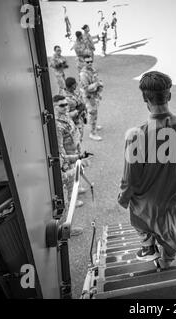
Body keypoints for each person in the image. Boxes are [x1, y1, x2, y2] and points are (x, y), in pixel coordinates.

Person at [118, 71, 176, 268]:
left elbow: (130, 180)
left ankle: (147, 244)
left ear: (144, 98)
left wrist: (123, 198)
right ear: (169, 96)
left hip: (146, 206)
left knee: (136, 211)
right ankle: (166, 264)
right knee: (171, 237)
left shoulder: (136, 135)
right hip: (174, 201)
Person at [53, 95, 88, 236]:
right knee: (67, 201)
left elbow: (74, 133)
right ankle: (65, 230)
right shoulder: (57, 124)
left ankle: (75, 190)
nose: (66, 106)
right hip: (67, 161)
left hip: (73, 154)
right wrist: (73, 159)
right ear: (54, 106)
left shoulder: (65, 116)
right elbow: (60, 152)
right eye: (61, 105)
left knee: (73, 185)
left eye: (66, 104)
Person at [79, 55, 104, 141]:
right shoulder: (83, 74)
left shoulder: (92, 70)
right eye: (87, 62)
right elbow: (86, 88)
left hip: (94, 95)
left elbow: (96, 80)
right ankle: (92, 133)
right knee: (93, 113)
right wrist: (97, 84)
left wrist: (99, 90)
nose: (90, 63)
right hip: (89, 96)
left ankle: (94, 125)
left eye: (91, 61)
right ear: (83, 62)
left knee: (94, 113)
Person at [63, 77, 87, 143]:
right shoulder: (65, 99)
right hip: (73, 125)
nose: (76, 86)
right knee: (75, 142)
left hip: (80, 120)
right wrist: (78, 110)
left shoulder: (75, 92)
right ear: (71, 86)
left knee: (80, 140)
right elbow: (66, 116)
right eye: (74, 85)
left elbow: (81, 101)